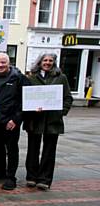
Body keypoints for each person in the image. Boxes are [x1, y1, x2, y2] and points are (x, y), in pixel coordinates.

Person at [23, 53, 73, 191]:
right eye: (45, 60)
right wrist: (32, 109)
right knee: (32, 150)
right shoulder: (31, 77)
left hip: (52, 121)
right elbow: (25, 97)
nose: (48, 63)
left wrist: (61, 111)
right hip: (35, 120)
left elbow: (68, 98)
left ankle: (44, 179)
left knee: (49, 151)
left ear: (54, 62)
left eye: (50, 60)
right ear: (40, 62)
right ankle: (31, 177)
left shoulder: (61, 78)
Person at [0, 53, 29, 190]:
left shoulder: (19, 78)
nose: (0, 65)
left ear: (9, 63)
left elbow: (25, 101)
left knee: (11, 149)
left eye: (3, 62)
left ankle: (11, 177)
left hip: (11, 121)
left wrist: (16, 119)